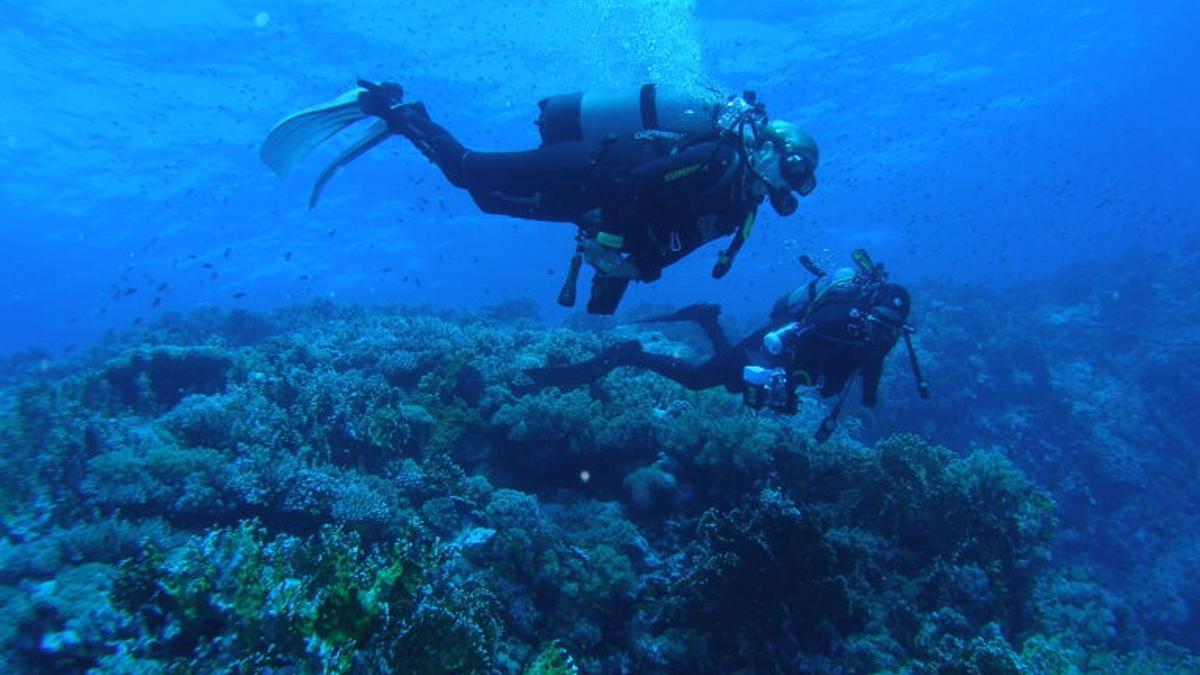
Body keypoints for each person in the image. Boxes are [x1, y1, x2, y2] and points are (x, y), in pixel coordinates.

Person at [260, 81, 820, 313]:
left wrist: (636, 264)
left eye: (796, 184)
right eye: (790, 171)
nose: (785, 188)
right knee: (468, 172)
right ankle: (394, 108)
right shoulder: (720, 159)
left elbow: (675, 247)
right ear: (772, 151)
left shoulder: (737, 208)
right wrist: (613, 244)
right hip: (594, 169)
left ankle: (409, 123)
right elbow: (638, 186)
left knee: (486, 200)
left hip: (591, 202)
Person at [525, 250, 931, 441]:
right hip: (775, 344)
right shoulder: (839, 316)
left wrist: (871, 402)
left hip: (790, 365)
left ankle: (707, 318)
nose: (883, 335)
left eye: (893, 329)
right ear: (868, 313)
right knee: (703, 380)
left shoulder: (882, 339)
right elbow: (789, 340)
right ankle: (628, 354)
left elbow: (872, 363)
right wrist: (784, 384)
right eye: (880, 324)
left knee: (732, 382)